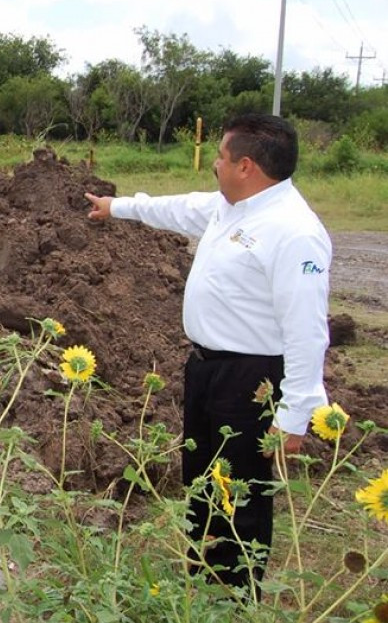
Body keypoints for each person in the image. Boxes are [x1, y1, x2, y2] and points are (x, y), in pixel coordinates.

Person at [84, 114, 331, 591]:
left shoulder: (293, 231)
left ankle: (234, 597)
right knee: (202, 482)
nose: (212, 164)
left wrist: (295, 414)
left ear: (245, 166)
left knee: (239, 492)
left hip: (251, 381)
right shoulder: (231, 208)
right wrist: (117, 207)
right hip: (207, 369)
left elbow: (306, 331)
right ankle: (203, 583)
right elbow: (177, 209)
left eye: (219, 155)